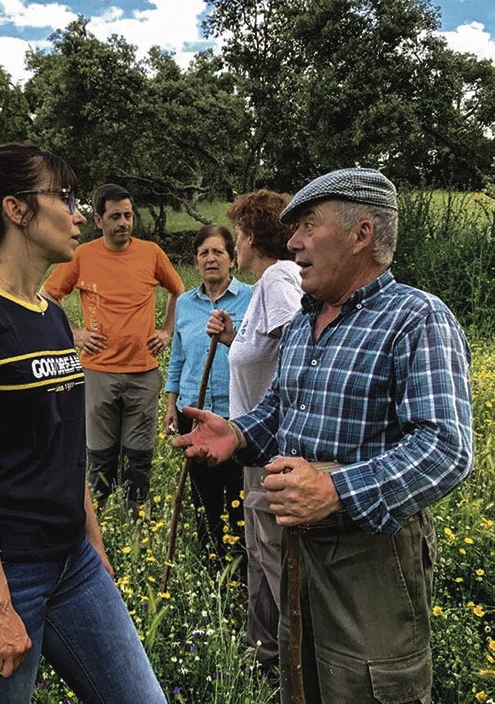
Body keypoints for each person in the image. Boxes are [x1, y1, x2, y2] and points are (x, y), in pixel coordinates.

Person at [173, 168, 473, 704]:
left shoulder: (416, 318)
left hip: (370, 559)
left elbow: (446, 448)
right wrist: (238, 435)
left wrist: (334, 490)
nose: (292, 242)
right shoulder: (304, 320)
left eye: (308, 226)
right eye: (293, 230)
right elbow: (281, 413)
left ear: (361, 234)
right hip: (297, 549)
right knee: (302, 682)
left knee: (370, 690)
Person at [0, 143, 166, 703]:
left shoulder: (51, 314)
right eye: (65, 197)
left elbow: (63, 447)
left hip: (71, 562)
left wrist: (93, 545)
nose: (79, 215)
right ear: (18, 209)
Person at [204, 190, 303, 670]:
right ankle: (265, 662)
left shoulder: (279, 277)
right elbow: (267, 352)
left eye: (238, 235)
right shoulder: (269, 285)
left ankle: (301, 667)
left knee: (275, 564)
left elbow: (301, 342)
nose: (235, 245)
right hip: (254, 452)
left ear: (251, 237)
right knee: (261, 562)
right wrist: (231, 338)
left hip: (270, 450)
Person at [41, 183, 184, 510]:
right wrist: (74, 333)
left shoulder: (151, 253)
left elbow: (179, 291)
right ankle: (101, 519)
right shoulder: (82, 255)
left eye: (128, 215)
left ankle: (137, 517)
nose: (124, 223)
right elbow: (48, 295)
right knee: (100, 454)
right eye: (116, 216)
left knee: (139, 455)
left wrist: (166, 330)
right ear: (98, 220)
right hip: (97, 372)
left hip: (143, 371)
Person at [163, 224, 252, 566]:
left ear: (232, 259)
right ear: (195, 262)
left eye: (218, 252)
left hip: (237, 413)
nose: (210, 259)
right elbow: (178, 357)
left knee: (239, 491)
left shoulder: (252, 297)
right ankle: (211, 561)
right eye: (203, 253)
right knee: (204, 493)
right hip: (195, 411)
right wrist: (172, 403)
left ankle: (243, 564)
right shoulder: (185, 303)